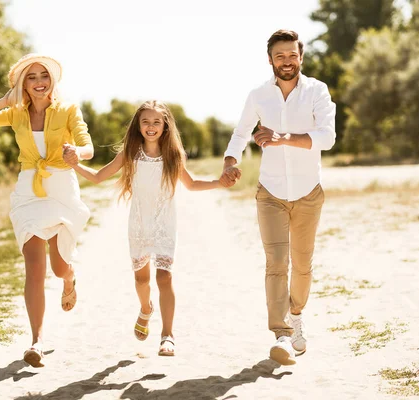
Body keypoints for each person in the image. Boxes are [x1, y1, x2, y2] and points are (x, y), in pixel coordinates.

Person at [63, 100, 224, 356]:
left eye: (156, 122)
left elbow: (191, 184)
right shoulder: (130, 153)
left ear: (165, 125)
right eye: (145, 121)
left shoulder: (174, 154)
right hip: (138, 224)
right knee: (141, 279)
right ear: (138, 125)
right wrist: (74, 164)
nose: (151, 126)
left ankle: (168, 335)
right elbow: (97, 177)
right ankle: (146, 309)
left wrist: (220, 182)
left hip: (164, 224)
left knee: (164, 277)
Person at [0, 53, 94, 367]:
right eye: (32, 77)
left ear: (53, 81)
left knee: (59, 266)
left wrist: (77, 153)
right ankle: (36, 340)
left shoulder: (67, 110)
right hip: (28, 192)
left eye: (44, 76)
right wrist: (3, 101)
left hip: (61, 188)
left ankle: (69, 278)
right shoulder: (16, 113)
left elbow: (87, 146)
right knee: (34, 268)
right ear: (23, 83)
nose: (39, 82)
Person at [221, 30, 336, 365]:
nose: (287, 62)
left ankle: (296, 312)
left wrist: (282, 137)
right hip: (270, 192)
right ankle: (282, 334)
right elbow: (241, 133)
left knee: (302, 265)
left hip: (308, 192)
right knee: (275, 264)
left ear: (301, 57)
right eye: (280, 56)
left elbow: (326, 138)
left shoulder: (317, 91)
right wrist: (231, 161)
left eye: (292, 55)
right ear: (270, 59)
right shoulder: (259, 94)